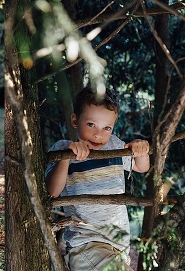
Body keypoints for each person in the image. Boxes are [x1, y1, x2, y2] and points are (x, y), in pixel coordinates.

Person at [45, 87, 149, 271]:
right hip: (86, 244)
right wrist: (67, 157)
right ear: (75, 120)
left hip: (118, 245)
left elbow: (141, 167)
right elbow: (51, 192)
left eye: (106, 128)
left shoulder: (114, 146)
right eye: (91, 124)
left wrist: (140, 149)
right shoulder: (63, 149)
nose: (98, 134)